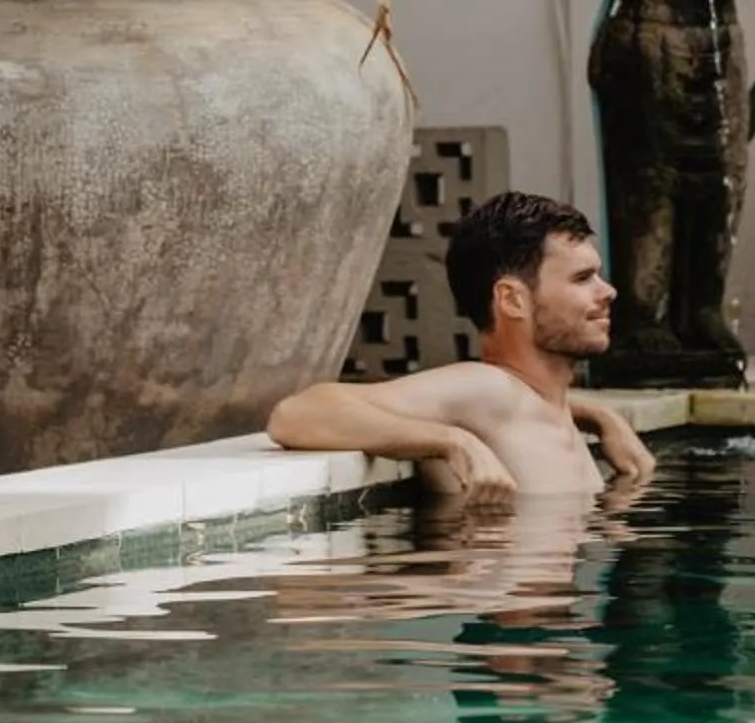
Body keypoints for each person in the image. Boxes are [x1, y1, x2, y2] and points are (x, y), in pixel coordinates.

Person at [267, 191, 658, 509]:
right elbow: (297, 414)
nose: (608, 291)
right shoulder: (487, 389)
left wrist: (599, 418)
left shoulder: (534, 404)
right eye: (582, 278)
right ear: (512, 300)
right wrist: (454, 442)